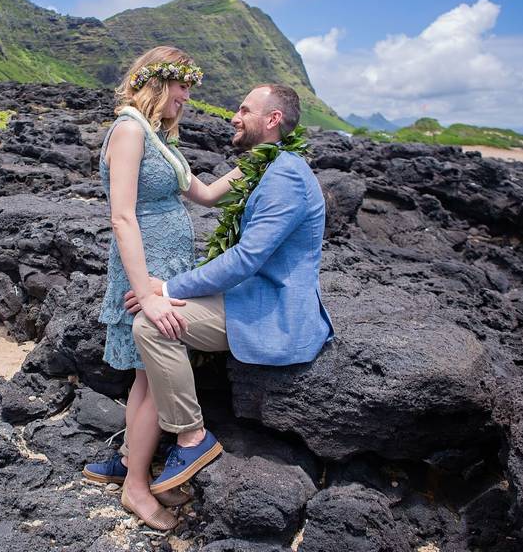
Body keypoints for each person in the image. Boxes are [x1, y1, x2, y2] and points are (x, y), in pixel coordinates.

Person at [123, 83, 335, 495]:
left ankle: (191, 437)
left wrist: (166, 287)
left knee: (152, 324)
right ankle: (135, 453)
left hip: (272, 310)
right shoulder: (269, 165)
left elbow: (244, 260)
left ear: (272, 120)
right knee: (152, 314)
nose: (234, 117)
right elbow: (205, 195)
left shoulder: (286, 175)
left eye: (244, 109)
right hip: (250, 296)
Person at [81, 46, 244, 530]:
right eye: (183, 86)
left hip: (169, 267)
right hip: (144, 270)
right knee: (150, 378)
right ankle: (135, 488)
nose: (187, 97)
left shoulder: (159, 137)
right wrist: (147, 294)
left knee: (146, 378)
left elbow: (208, 194)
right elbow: (121, 216)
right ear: (158, 82)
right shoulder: (130, 131)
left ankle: (133, 467)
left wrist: (262, 162)